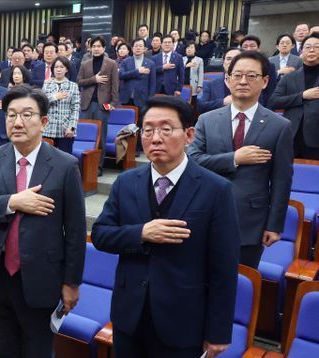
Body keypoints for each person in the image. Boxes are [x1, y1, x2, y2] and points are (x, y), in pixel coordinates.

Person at [91, 96, 240, 358]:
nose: (155, 138)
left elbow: (224, 267)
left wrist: (218, 331)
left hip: (183, 321)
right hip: (129, 316)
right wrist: (141, 233)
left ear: (189, 134)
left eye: (166, 129)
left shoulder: (216, 189)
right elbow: (101, 235)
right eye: (148, 130)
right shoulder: (126, 183)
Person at [0, 85, 86, 358]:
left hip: (43, 276)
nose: (17, 122)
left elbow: (76, 231)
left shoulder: (65, 165)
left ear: (43, 122)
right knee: (4, 345)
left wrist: (71, 283)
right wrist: (12, 202)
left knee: (38, 348)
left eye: (26, 114)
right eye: (11, 115)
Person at [188, 51, 293, 268]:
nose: (243, 81)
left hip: (250, 221)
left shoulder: (279, 126)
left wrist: (274, 225)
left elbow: (282, 180)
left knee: (240, 282)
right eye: (237, 75)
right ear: (227, 80)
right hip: (205, 213)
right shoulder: (207, 120)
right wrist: (234, 158)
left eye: (252, 76)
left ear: (264, 82)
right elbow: (192, 160)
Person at [271, 32, 319, 160]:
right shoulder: (289, 77)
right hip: (292, 136)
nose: (312, 50)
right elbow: (274, 101)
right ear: (301, 51)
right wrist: (302, 96)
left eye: (316, 46)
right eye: (308, 47)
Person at [77, 36, 119, 175]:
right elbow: (79, 82)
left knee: (101, 137)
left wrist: (113, 103)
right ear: (90, 48)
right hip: (86, 104)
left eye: (98, 46)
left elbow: (115, 85)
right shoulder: (85, 64)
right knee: (84, 135)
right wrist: (94, 79)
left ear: (104, 48)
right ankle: (82, 164)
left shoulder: (111, 63)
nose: (96, 49)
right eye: (93, 46)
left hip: (103, 105)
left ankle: (98, 166)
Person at [42, 57, 80, 154]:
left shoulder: (73, 86)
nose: (58, 69)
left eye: (61, 67)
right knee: (46, 159)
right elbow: (41, 104)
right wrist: (54, 97)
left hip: (65, 129)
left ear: (66, 69)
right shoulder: (46, 85)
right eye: (56, 67)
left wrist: (72, 127)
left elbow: (75, 108)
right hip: (48, 129)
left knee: (65, 160)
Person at [119, 38, 157, 115]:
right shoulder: (125, 62)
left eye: (140, 46)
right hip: (126, 98)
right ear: (132, 48)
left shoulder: (150, 63)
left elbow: (152, 84)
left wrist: (150, 99)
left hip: (142, 98)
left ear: (145, 49)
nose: (138, 48)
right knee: (126, 123)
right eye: (136, 46)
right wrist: (137, 71)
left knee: (140, 123)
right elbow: (121, 75)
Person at [198, 48, 241, 114]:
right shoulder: (211, 84)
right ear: (223, 63)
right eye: (229, 59)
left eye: (236, 59)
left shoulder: (252, 84)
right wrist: (223, 102)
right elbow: (201, 107)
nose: (232, 61)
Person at [240, 35, 278, 107]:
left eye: (252, 46)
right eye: (245, 47)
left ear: (258, 49)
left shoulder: (269, 65)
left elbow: (271, 90)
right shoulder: (236, 66)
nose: (248, 49)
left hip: (261, 104)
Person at [183, 41, 204, 106]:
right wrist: (186, 66)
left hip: (193, 84)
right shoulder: (181, 59)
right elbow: (178, 71)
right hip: (182, 83)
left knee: (192, 104)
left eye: (191, 47)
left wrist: (199, 85)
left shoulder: (199, 60)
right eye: (188, 48)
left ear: (195, 50)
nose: (189, 49)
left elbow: (200, 73)